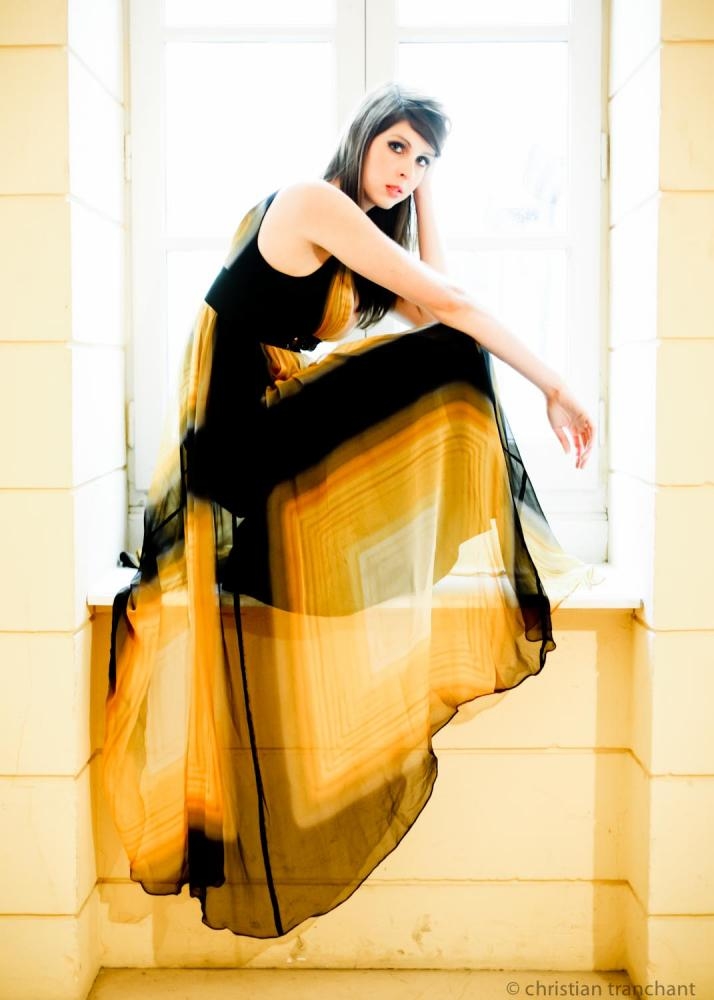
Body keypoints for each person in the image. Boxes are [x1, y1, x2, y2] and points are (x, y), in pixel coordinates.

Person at [103, 83, 597, 940]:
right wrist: (556, 384)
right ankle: (452, 540)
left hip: (257, 436)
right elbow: (451, 309)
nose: (408, 169)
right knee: (456, 353)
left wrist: (427, 194)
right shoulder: (313, 203)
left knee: (452, 346)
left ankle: (414, 544)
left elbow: (437, 298)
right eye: (398, 147)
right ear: (363, 137)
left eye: (425, 159)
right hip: (233, 444)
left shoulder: (360, 239)